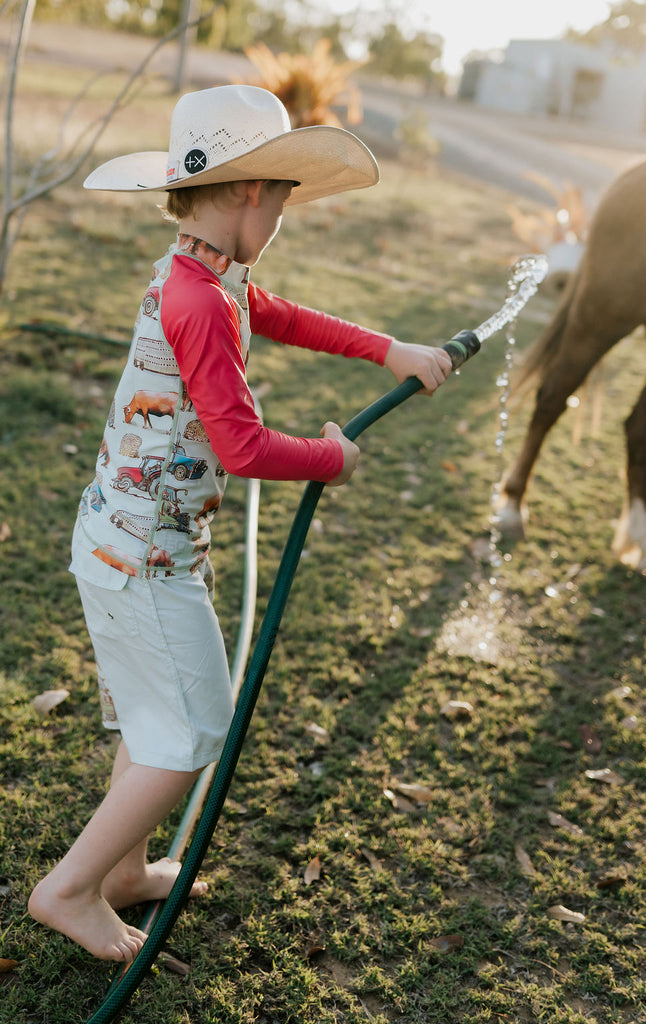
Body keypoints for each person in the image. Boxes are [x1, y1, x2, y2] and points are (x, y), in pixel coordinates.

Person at [28, 84, 452, 963]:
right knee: (193, 732)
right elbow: (243, 445)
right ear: (252, 191)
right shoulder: (199, 302)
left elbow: (279, 314)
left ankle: (123, 871)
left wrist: (388, 349)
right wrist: (331, 457)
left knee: (154, 723)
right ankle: (67, 890)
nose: (284, 219)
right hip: (144, 561)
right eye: (285, 201)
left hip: (124, 544)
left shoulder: (198, 273)